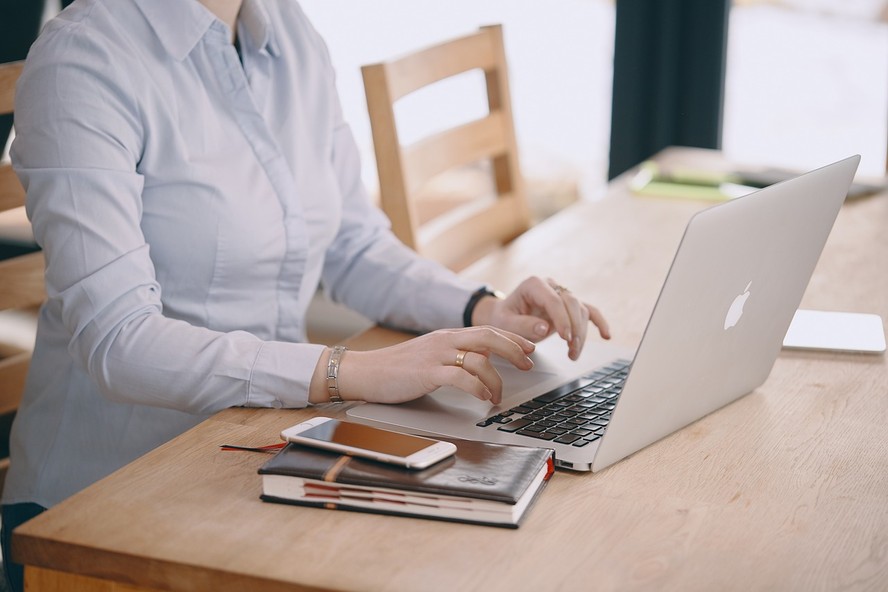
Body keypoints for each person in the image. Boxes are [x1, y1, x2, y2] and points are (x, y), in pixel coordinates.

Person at [0, 0, 609, 589]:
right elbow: (118, 340)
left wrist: (483, 308)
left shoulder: (289, 30)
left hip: (257, 447)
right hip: (104, 506)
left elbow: (352, 243)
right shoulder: (85, 58)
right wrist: (348, 371)